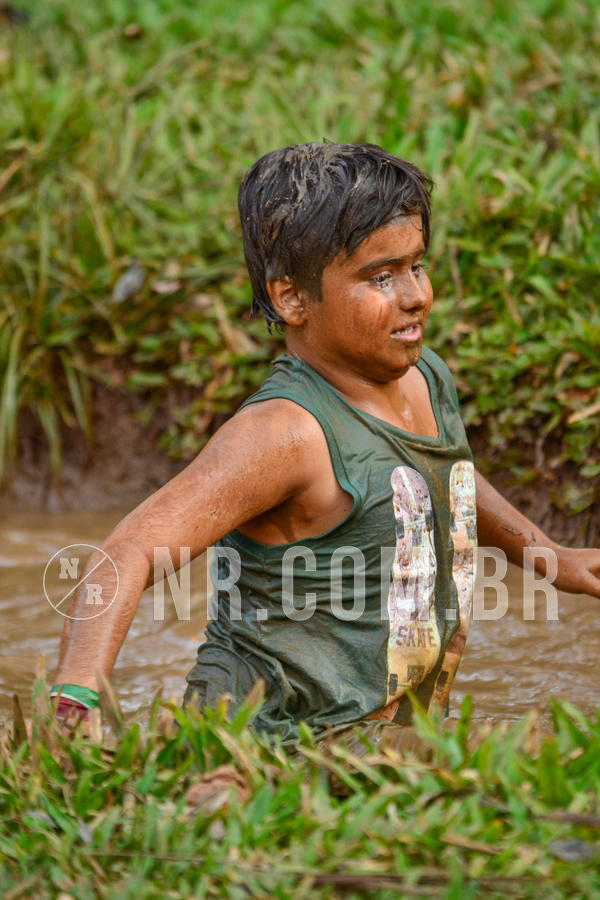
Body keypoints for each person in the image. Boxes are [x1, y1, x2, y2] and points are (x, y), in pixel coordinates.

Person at [52, 142, 600, 743]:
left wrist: (553, 557)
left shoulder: (421, 377)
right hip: (282, 742)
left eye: (416, 265)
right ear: (291, 297)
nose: (417, 295)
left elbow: (447, 483)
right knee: (554, 750)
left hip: (383, 732)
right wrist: (76, 700)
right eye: (380, 276)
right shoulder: (285, 434)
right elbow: (123, 555)